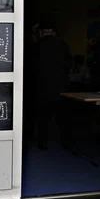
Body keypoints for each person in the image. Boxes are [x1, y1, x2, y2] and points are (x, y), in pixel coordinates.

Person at [33, 21, 73, 151]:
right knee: (63, 119)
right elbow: (69, 64)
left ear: (41, 33)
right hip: (61, 88)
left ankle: (43, 144)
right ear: (53, 32)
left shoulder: (38, 46)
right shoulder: (63, 44)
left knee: (43, 119)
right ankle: (66, 143)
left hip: (43, 88)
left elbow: (32, 67)